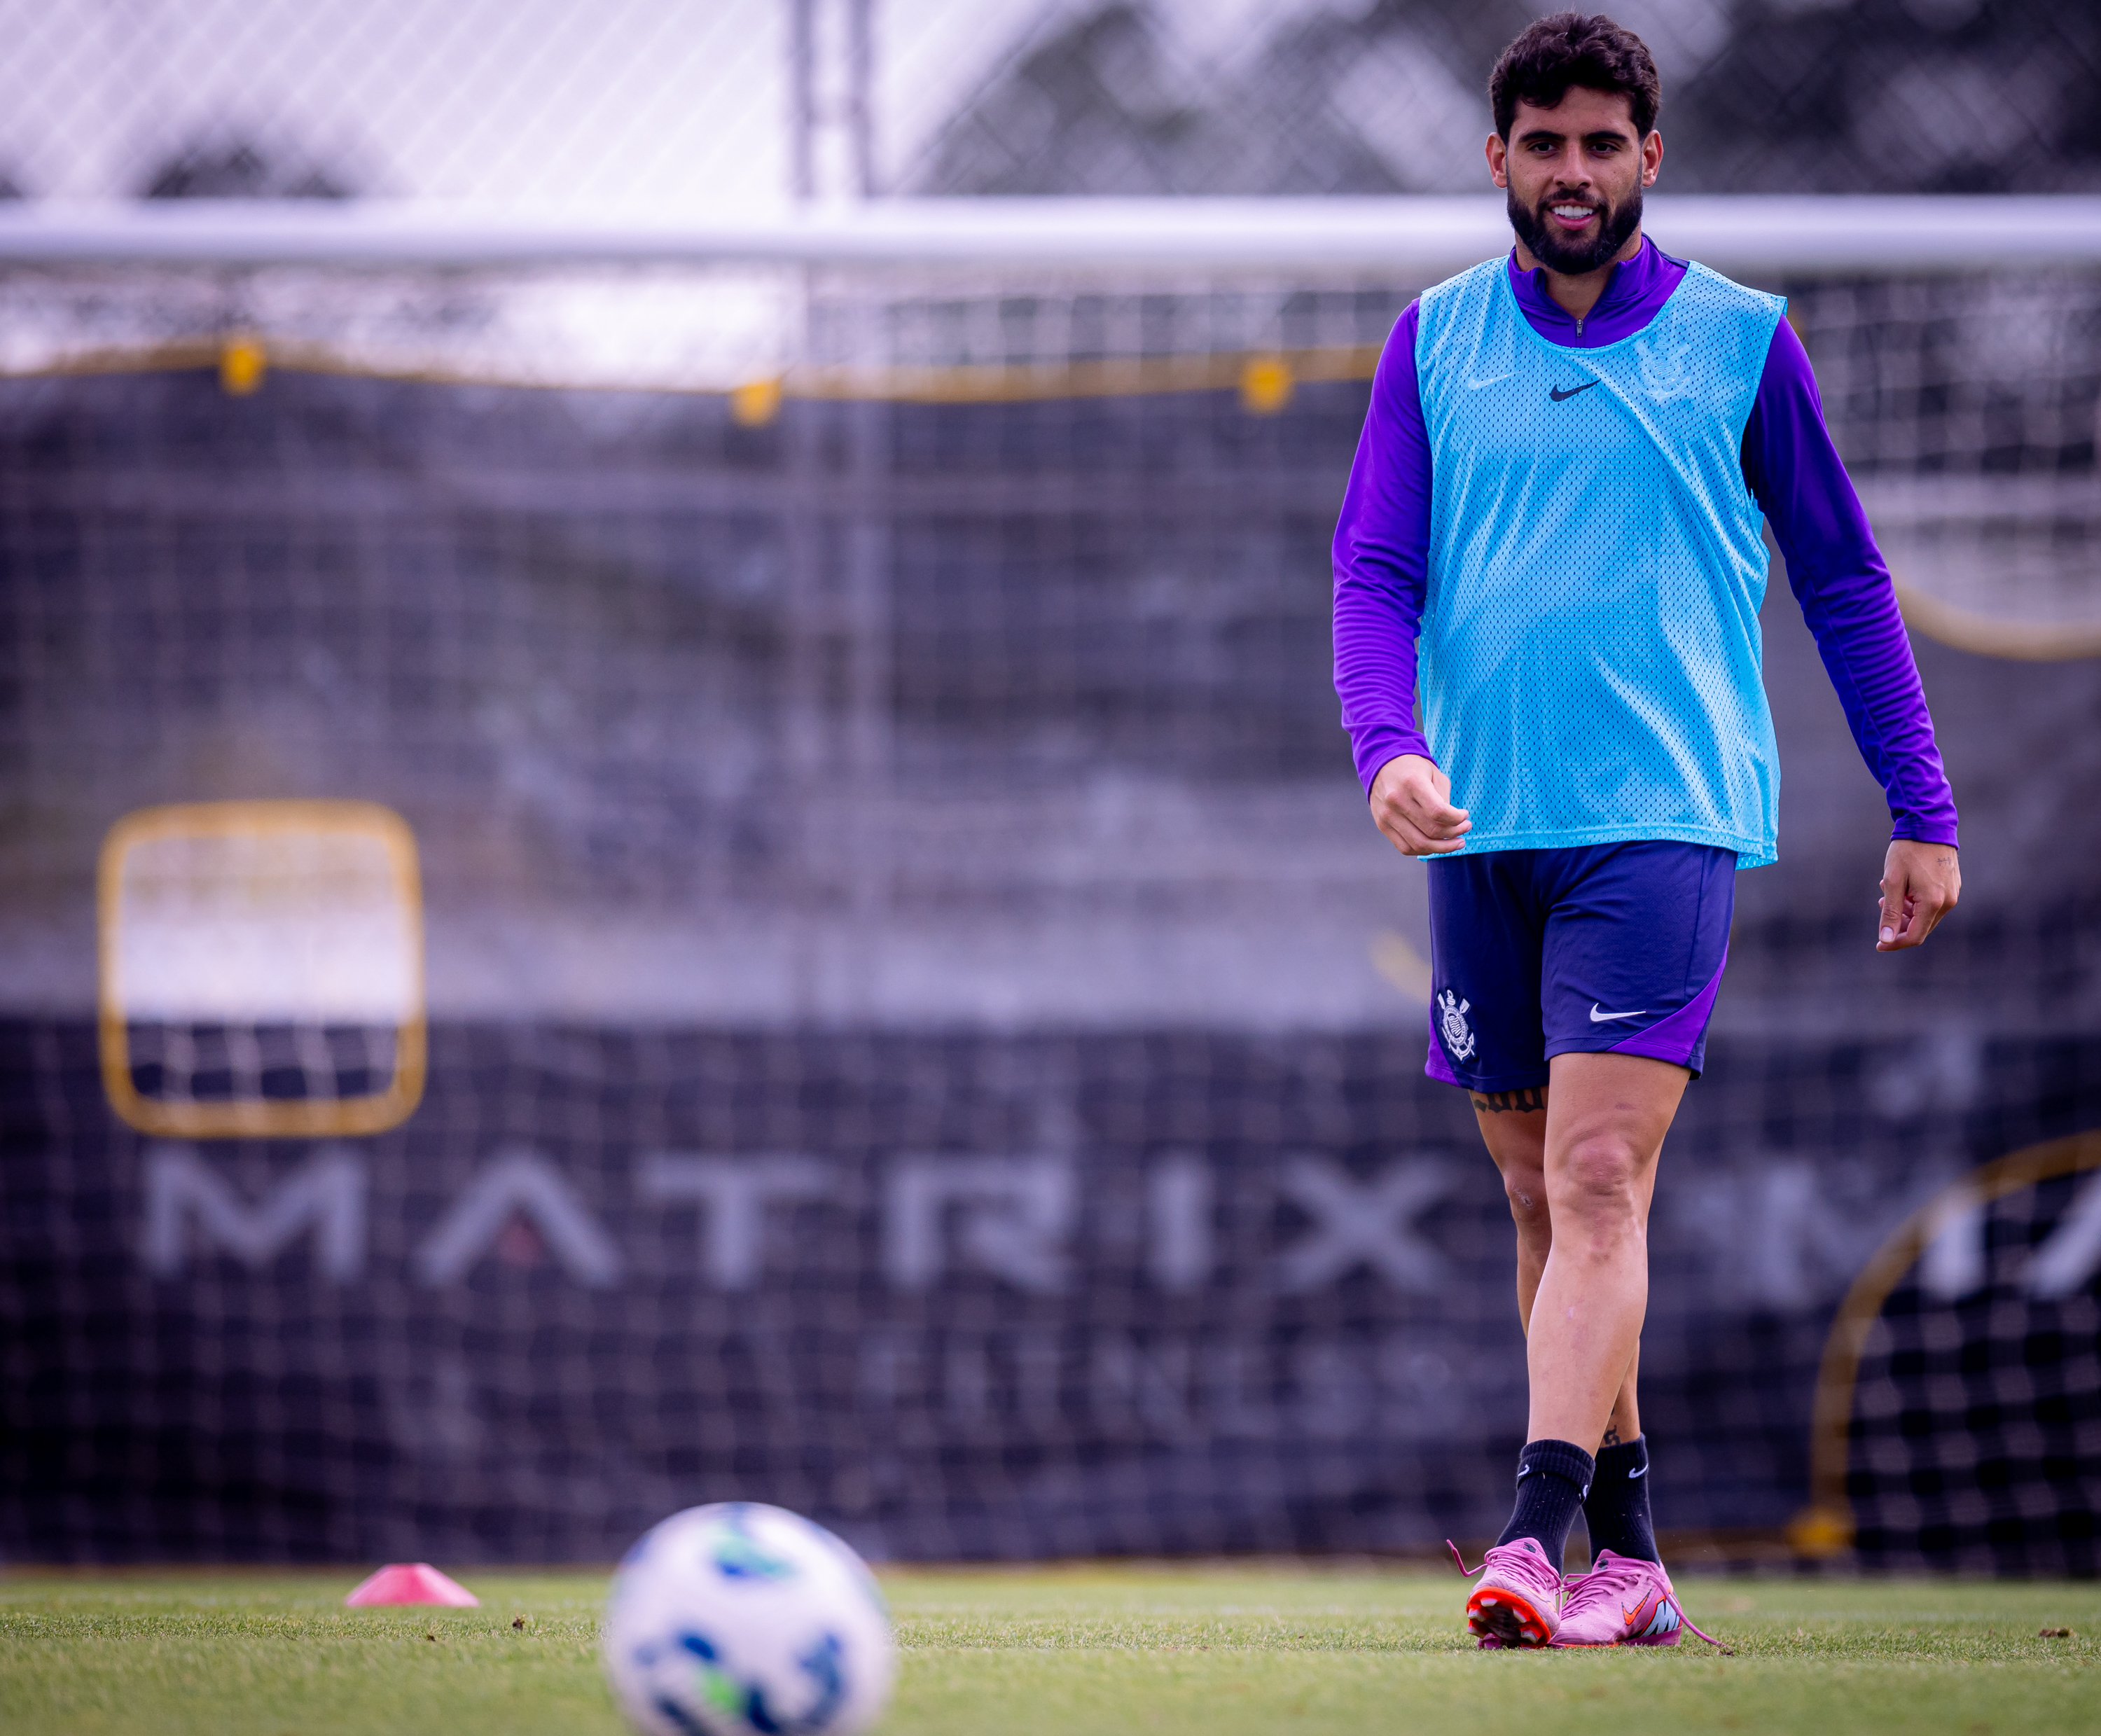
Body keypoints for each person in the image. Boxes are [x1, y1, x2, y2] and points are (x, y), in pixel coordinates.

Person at [1331, 12, 1960, 1648]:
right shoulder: (1433, 341)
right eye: (1544, 143)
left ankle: (1531, 1534)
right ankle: (1633, 1557)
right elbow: (1375, 571)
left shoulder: (1742, 342)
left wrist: (1922, 804)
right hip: (1480, 833)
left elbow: (1845, 579)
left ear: (1649, 158)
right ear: (1500, 158)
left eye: (1602, 144)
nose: (1573, 171)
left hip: (1663, 825)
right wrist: (1387, 747)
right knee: (1543, 1202)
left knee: (1603, 1172)